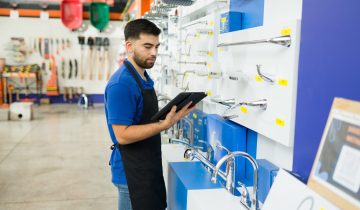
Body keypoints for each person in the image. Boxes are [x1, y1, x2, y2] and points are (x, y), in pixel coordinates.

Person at [104, 19, 194, 210]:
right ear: (129, 46)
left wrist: (172, 117)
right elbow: (122, 135)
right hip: (131, 175)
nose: (154, 52)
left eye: (156, 46)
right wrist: (163, 125)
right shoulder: (121, 84)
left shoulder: (143, 77)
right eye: (147, 46)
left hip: (147, 165)